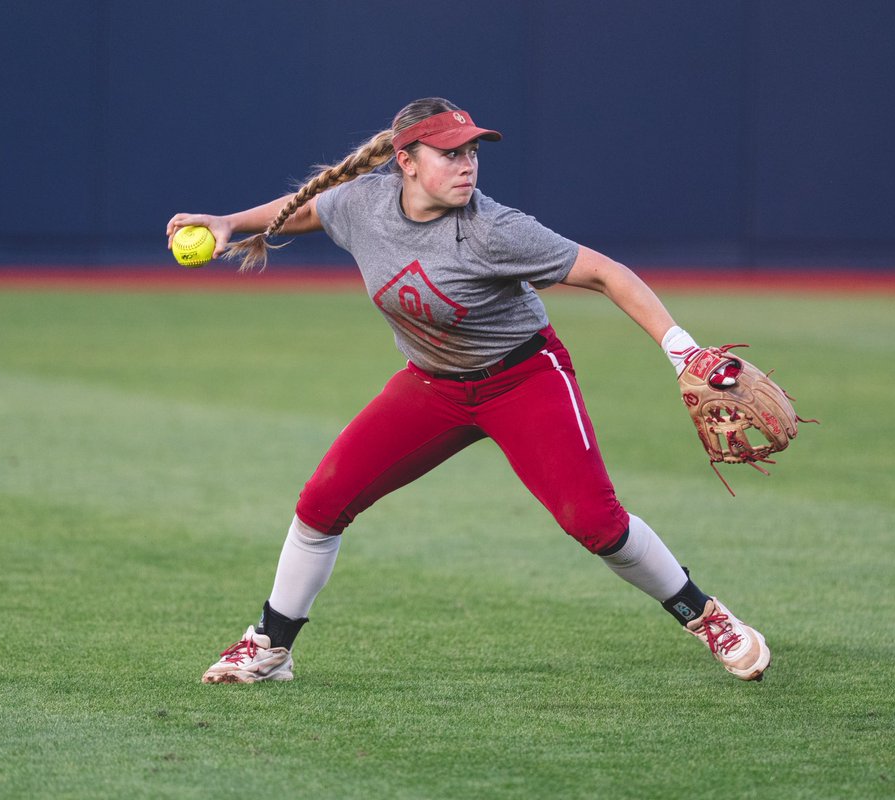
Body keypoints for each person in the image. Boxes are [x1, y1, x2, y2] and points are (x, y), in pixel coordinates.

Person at [166, 97, 770, 684]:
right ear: (406, 162)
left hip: (523, 379)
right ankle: (271, 646)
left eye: (473, 152)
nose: (467, 165)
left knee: (596, 524)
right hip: (432, 387)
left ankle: (706, 616)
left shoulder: (495, 231)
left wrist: (683, 350)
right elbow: (316, 210)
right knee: (321, 505)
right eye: (450, 154)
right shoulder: (364, 203)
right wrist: (229, 224)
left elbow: (609, 274)